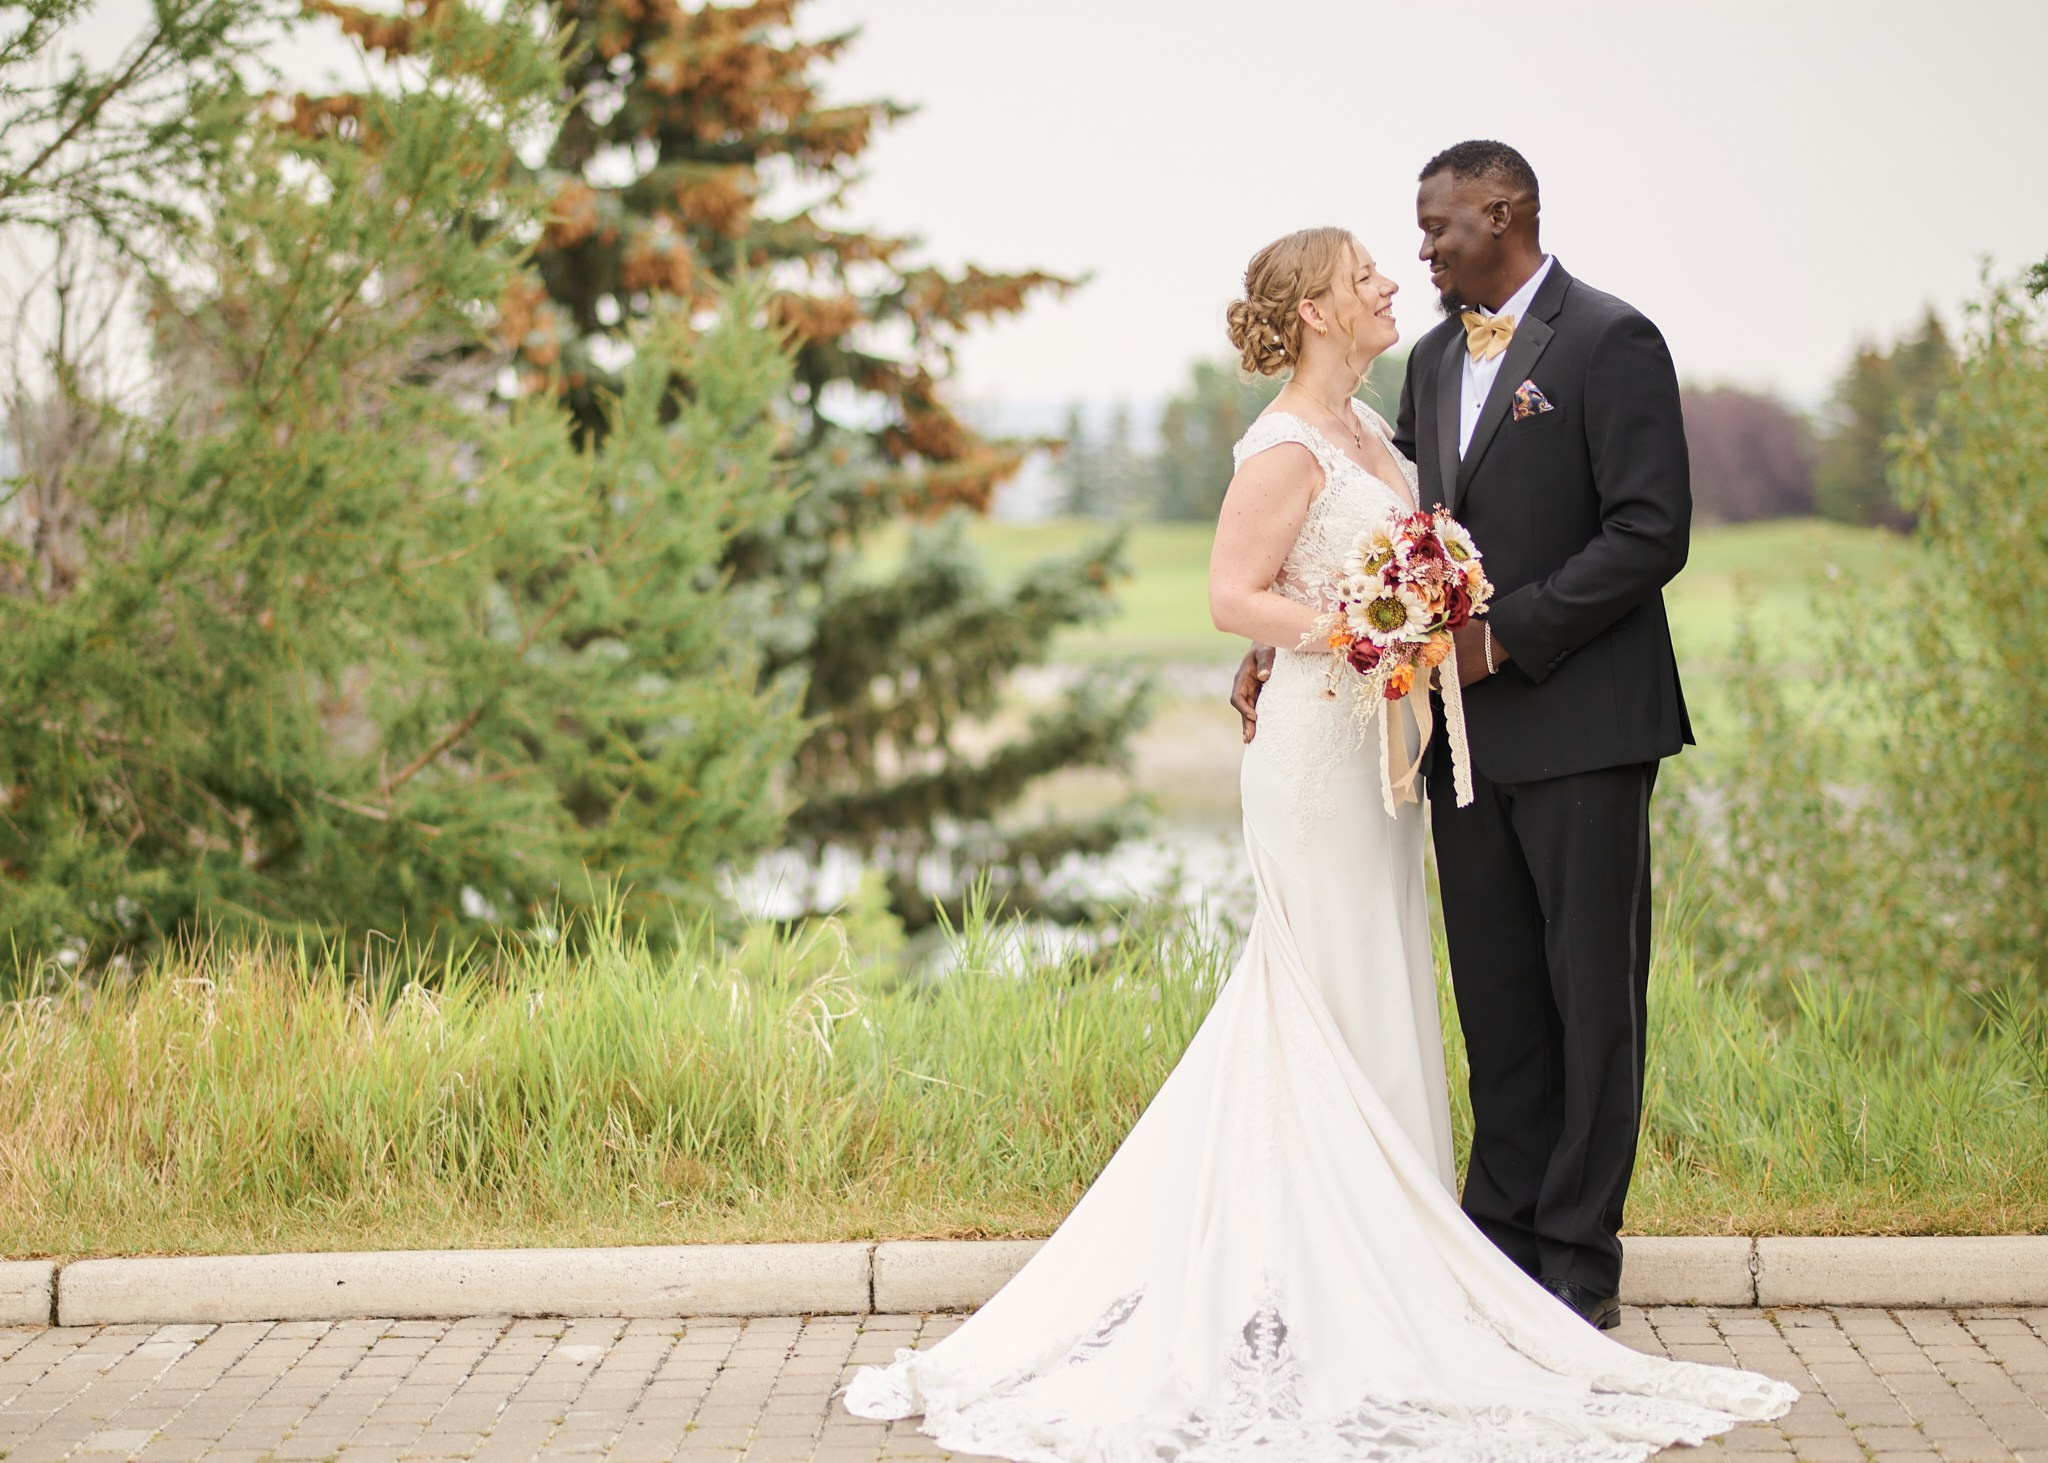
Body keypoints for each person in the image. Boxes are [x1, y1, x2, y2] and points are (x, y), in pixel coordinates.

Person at [844, 218, 1794, 1462]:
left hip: (1387, 753)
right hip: (1315, 750)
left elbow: (1429, 552)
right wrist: (1336, 636)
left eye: (1406, 253)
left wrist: (1382, 621)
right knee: (1318, 988)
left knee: (1380, 981)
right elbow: (1235, 589)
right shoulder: (1286, 438)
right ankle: (1309, 1275)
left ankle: (1391, 1255)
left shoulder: (1383, 426)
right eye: (1365, 274)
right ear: (1311, 310)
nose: (1392, 280)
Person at [1234, 140, 1693, 1332]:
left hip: (1586, 722)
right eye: (1409, 235)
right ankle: (1494, 1234)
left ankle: (1578, 1255)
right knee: (1493, 993)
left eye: (1437, 227)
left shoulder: (1610, 340)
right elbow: (1396, 541)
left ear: (1505, 211)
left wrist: (1502, 640)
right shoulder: (1429, 364)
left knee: (1591, 992)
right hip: (1453, 738)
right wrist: (1285, 632)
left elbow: (1648, 533)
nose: (1422, 251)